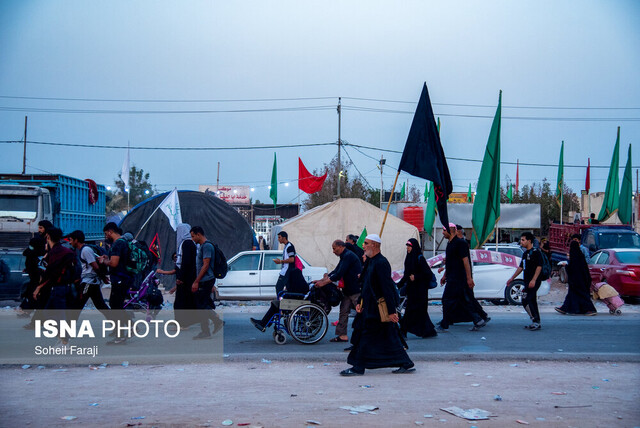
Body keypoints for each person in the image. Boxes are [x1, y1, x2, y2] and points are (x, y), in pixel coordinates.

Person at [341, 234, 414, 376]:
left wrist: (392, 311)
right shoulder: (370, 261)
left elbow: (387, 288)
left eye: (366, 243)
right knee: (389, 337)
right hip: (368, 306)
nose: (363, 245)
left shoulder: (381, 263)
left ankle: (358, 367)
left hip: (377, 309)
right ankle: (405, 362)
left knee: (365, 337)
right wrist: (360, 302)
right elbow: (366, 285)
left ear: (374, 245)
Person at [437, 223, 487, 332]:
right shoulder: (450, 244)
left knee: (446, 300)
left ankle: (445, 324)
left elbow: (466, 262)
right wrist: (445, 275)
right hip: (452, 277)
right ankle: (478, 319)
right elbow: (450, 262)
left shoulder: (461, 243)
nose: (442, 232)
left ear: (450, 231)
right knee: (464, 301)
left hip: (458, 278)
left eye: (444, 230)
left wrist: (469, 278)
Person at [32, 227, 75, 347]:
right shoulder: (67, 252)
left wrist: (38, 287)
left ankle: (65, 341)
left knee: (54, 315)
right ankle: (63, 339)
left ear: (48, 237)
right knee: (52, 314)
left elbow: (49, 272)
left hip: (58, 288)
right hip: (67, 287)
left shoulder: (54, 253)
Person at [313, 240, 362, 343]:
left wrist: (324, 283)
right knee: (343, 311)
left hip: (355, 290)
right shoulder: (344, 256)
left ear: (340, 246)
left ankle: (370, 335)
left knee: (362, 312)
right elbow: (335, 271)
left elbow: (339, 274)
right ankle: (342, 335)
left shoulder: (348, 255)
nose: (333, 251)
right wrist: (321, 280)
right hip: (347, 290)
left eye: (334, 248)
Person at [99, 222, 134, 344]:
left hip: (119, 278)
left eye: (106, 233)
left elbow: (114, 263)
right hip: (124, 278)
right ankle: (129, 327)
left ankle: (121, 335)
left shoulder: (117, 244)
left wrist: (104, 261)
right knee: (116, 305)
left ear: (110, 231)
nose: (106, 236)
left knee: (115, 306)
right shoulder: (123, 242)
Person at [158, 223, 197, 329]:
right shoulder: (188, 243)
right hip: (187, 278)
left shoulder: (186, 244)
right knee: (182, 301)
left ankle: (182, 323)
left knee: (181, 302)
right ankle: (181, 321)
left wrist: (181, 278)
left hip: (185, 279)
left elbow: (185, 263)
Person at [67, 230, 110, 321]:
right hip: (91, 282)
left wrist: (103, 278)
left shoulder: (86, 250)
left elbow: (94, 266)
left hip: (89, 283)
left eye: (71, 240)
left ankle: (67, 330)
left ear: (76, 240)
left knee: (77, 305)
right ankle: (117, 325)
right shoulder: (83, 250)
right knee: (100, 305)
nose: (70, 242)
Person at [398, 238, 437, 338]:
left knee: (414, 311)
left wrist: (416, 277)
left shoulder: (420, 258)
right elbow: (406, 274)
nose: (408, 248)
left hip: (420, 290)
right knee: (418, 312)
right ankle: (429, 331)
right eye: (407, 246)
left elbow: (427, 274)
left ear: (414, 247)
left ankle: (404, 330)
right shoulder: (409, 258)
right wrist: (398, 285)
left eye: (409, 246)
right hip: (412, 290)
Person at [190, 226, 224, 339]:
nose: (192, 239)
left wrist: (196, 281)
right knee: (202, 305)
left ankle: (216, 322)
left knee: (202, 305)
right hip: (206, 280)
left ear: (199, 234)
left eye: (193, 236)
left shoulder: (207, 246)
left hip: (205, 280)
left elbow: (206, 265)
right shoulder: (204, 246)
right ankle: (206, 330)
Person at [507, 232, 543, 331]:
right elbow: (521, 267)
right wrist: (512, 278)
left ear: (529, 241)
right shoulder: (525, 253)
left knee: (526, 299)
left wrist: (534, 280)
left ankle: (535, 320)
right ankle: (536, 321)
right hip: (527, 281)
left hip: (534, 281)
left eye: (523, 240)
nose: (521, 242)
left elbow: (539, 266)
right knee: (530, 300)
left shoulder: (536, 252)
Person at [18, 220, 52, 323]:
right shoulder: (37, 240)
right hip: (35, 274)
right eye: (39, 228)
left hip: (41, 275)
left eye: (41, 228)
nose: (39, 230)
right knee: (35, 295)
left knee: (38, 295)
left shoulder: (45, 242)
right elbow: (27, 252)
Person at [555, 241, 597, 316]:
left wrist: (566, 266)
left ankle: (590, 309)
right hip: (581, 280)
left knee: (582, 295)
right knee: (572, 295)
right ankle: (564, 308)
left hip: (577, 281)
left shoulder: (575, 256)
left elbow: (573, 268)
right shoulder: (580, 255)